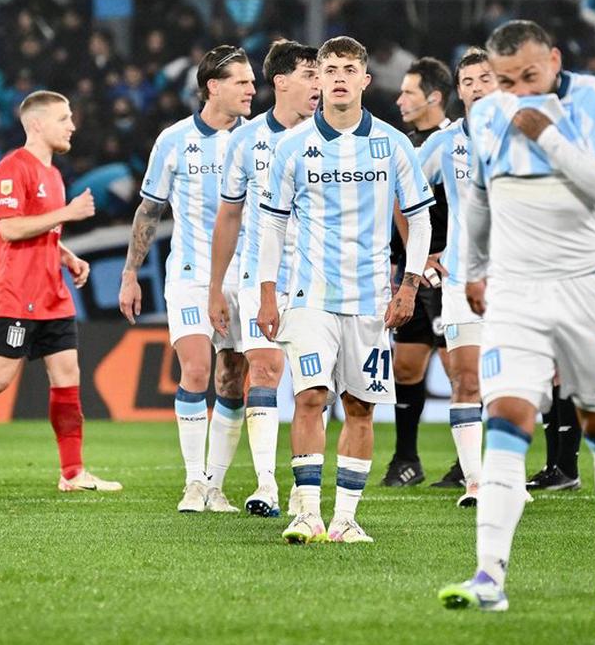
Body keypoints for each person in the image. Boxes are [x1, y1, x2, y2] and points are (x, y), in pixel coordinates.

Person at [440, 20, 595, 611]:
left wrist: (550, 137)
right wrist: (473, 269)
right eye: (505, 81)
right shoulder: (486, 115)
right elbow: (478, 197)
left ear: (554, 60)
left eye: (530, 76)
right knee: (505, 417)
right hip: (516, 291)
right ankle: (488, 576)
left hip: (587, 290)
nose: (518, 90)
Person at [255, 36, 433, 544]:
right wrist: (269, 292)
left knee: (360, 406)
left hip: (371, 300)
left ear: (364, 79)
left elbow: (420, 220)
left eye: (347, 68)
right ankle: (307, 512)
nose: (337, 76)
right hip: (309, 296)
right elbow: (270, 224)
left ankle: (345, 519)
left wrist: (408, 285)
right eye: (329, 68)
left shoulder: (393, 144)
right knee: (310, 396)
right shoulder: (292, 147)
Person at [0, 91, 121, 494]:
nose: (72, 126)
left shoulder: (53, 175)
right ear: (36, 125)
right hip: (18, 294)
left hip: (53, 293)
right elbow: (8, 227)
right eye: (64, 118)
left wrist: (67, 256)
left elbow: (41, 226)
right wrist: (67, 214)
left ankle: (73, 473)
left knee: (67, 375)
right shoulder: (13, 168)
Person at [118, 45, 254, 514]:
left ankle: (216, 486)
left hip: (243, 276)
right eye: (242, 81)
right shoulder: (174, 140)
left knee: (233, 379)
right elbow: (149, 210)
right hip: (191, 274)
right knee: (196, 369)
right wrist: (130, 274)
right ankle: (194, 482)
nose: (251, 89)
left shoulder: (259, 139)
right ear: (213, 87)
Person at [207, 39, 319, 518]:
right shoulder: (245, 140)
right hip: (261, 276)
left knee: (314, 385)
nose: (320, 85)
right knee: (266, 370)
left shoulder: (332, 137)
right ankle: (267, 485)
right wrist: (216, 287)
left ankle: (304, 487)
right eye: (310, 75)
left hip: (318, 276)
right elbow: (229, 216)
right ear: (282, 83)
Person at [414, 47, 495, 506]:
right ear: (458, 92)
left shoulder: (525, 138)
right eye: (468, 82)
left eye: (486, 79)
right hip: (462, 281)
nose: (477, 88)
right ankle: (476, 483)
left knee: (513, 386)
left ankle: (503, 478)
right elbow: (403, 192)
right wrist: (422, 254)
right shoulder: (446, 144)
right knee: (465, 380)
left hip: (520, 281)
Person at [382, 57, 455, 488]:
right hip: (411, 272)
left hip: (447, 273)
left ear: (434, 97)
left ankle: (470, 464)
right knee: (406, 367)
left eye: (409, 92)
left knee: (460, 369)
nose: (400, 99)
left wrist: (434, 255)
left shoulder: (454, 143)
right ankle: (406, 460)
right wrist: (408, 262)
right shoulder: (399, 144)